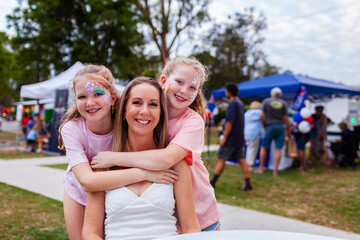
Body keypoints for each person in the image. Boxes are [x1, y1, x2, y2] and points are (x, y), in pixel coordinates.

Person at [91, 57, 221, 231]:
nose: (184, 90)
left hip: (201, 213)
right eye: (179, 82)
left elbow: (167, 159)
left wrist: (115, 158)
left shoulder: (192, 121)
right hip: (167, 213)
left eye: (192, 88)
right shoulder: (150, 114)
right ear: (163, 80)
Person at [58, 65, 179, 240]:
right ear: (75, 100)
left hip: (113, 184)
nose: (90, 102)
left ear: (113, 97)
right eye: (82, 97)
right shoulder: (72, 129)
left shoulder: (123, 123)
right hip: (78, 187)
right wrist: (144, 174)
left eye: (98, 94)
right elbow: (87, 181)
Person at [83, 77, 200, 239]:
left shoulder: (175, 163)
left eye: (153, 104)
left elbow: (191, 228)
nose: (144, 111)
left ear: (160, 113)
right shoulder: (103, 163)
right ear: (124, 111)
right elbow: (91, 232)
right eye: (137, 102)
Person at [210, 83, 252, 191]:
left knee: (221, 159)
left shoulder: (233, 104)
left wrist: (224, 137)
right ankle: (248, 184)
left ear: (228, 91)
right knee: (242, 160)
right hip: (239, 137)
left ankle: (212, 183)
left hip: (231, 138)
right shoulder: (240, 103)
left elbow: (230, 122)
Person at [255, 87, 291, 176]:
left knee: (264, 147)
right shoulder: (283, 103)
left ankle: (261, 168)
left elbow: (261, 115)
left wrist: (264, 125)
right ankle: (275, 171)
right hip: (280, 127)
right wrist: (289, 130)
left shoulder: (266, 101)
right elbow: (286, 118)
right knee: (278, 148)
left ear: (272, 94)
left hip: (269, 126)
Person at [244, 101, 263, 170]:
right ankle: (250, 165)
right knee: (253, 149)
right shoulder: (259, 113)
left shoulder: (247, 113)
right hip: (255, 133)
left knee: (249, 148)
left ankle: (247, 163)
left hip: (247, 132)